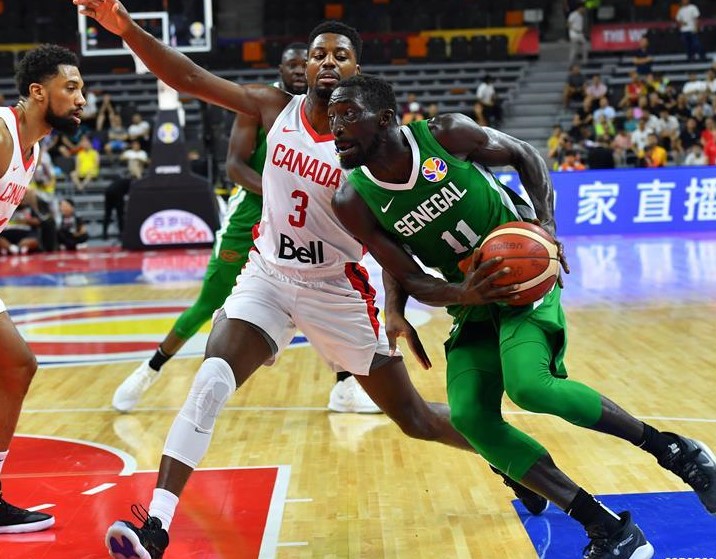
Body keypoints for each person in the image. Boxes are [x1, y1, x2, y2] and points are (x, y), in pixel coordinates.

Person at [73, 4, 546, 557]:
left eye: (339, 56)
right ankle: (155, 529)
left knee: (415, 419)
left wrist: (396, 304)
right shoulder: (277, 109)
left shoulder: (373, 146)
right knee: (210, 384)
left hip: (338, 290)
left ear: (357, 72)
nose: (325, 62)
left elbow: (392, 237)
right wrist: (128, 29)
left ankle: (510, 457)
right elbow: (189, 77)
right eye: (317, 53)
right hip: (268, 276)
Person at [326, 73, 716, 559]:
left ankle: (674, 451)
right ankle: (607, 528)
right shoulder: (352, 198)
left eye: (347, 116)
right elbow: (410, 275)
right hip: (470, 300)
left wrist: (546, 229)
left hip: (523, 280)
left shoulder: (444, 135)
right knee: (469, 416)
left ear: (384, 119)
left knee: (530, 386)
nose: (335, 126)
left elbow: (526, 155)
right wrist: (436, 300)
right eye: (331, 117)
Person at [110, 42, 380, 416]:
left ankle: (344, 386)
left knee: (323, 288)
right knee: (211, 300)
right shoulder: (264, 105)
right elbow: (234, 166)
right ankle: (151, 368)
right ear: (281, 70)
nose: (301, 70)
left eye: (307, 63)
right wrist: (278, 192)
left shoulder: (338, 114)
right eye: (293, 64)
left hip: (308, 217)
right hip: (252, 212)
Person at [0, 43, 86, 533]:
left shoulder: (33, 149)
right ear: (37, 92)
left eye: (81, 88)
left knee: (16, 365)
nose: (81, 98)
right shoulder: (3, 133)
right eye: (70, 88)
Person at [567, 2, 588, 66]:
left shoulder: (581, 15)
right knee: (574, 50)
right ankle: (570, 64)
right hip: (574, 35)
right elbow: (568, 24)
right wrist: (574, 29)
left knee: (585, 46)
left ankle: (584, 62)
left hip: (580, 34)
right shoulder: (573, 14)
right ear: (580, 8)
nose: (584, 10)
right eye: (583, 8)